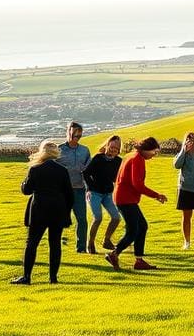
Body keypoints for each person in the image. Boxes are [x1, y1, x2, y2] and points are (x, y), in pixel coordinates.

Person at [11, 140, 74, 285]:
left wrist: (23, 184)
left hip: (39, 208)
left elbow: (27, 190)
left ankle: (27, 276)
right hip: (58, 208)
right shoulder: (62, 170)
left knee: (32, 242)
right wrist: (67, 212)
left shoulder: (35, 169)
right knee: (55, 243)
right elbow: (69, 194)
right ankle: (53, 277)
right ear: (56, 152)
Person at [105, 137, 168, 271]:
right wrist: (156, 195)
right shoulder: (137, 159)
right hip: (126, 199)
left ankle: (138, 260)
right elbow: (137, 185)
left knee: (141, 226)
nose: (154, 155)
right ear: (146, 149)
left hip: (124, 198)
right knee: (133, 230)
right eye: (153, 152)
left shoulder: (131, 155)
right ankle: (114, 254)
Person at [82, 135, 123, 254]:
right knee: (98, 218)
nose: (113, 150)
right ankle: (90, 244)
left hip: (107, 194)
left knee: (116, 218)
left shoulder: (118, 161)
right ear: (107, 146)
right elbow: (86, 173)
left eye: (116, 149)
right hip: (94, 193)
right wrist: (89, 188)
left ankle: (107, 240)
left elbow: (117, 178)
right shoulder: (98, 158)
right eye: (111, 147)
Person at [56, 121, 91, 254]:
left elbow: (88, 171)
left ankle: (81, 248)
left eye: (79, 135)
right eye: (75, 134)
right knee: (59, 219)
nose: (77, 137)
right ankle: (56, 244)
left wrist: (89, 188)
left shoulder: (85, 150)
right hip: (62, 191)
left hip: (79, 190)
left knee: (82, 220)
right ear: (69, 132)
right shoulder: (59, 150)